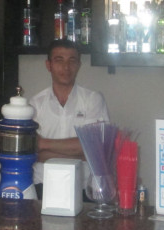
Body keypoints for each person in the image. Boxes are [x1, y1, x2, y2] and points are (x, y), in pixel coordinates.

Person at [29, 39, 109, 197]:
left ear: (78, 65)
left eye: (72, 61)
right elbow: (32, 153)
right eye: (59, 60)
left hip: (83, 189)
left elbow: (95, 149)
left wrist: (43, 144)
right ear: (48, 65)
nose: (66, 67)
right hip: (43, 187)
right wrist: (80, 153)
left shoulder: (93, 99)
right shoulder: (35, 104)